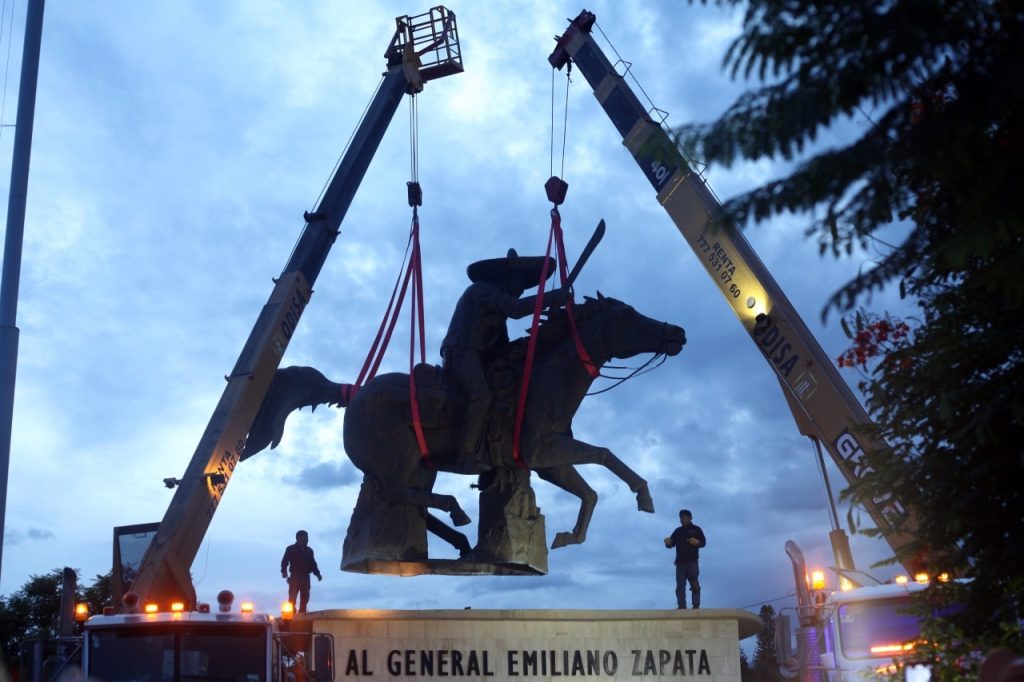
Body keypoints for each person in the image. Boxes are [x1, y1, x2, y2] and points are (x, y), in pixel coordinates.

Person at [441, 248, 567, 472]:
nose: (521, 289)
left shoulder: (497, 312)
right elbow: (516, 310)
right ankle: (466, 455)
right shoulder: (482, 290)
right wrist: (549, 298)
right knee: (481, 396)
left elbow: (502, 348)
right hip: (461, 351)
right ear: (506, 277)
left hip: (478, 356)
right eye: (520, 282)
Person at [664, 509, 706, 609]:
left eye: (683, 517)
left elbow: (703, 543)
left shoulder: (696, 529)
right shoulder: (678, 531)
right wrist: (668, 543)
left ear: (690, 518)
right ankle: (682, 607)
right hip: (680, 563)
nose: (681, 520)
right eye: (680, 518)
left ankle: (696, 606)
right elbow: (671, 544)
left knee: (694, 583)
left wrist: (697, 543)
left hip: (692, 562)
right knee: (680, 586)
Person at [281, 530, 322, 613]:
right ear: (298, 538)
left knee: (305, 597)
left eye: (307, 538)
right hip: (295, 576)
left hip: (306, 576)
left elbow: (313, 563)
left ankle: (302, 613)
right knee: (292, 597)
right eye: (305, 538)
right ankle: (292, 613)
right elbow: (284, 561)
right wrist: (284, 572)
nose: (307, 540)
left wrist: (317, 574)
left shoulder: (309, 551)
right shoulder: (290, 549)